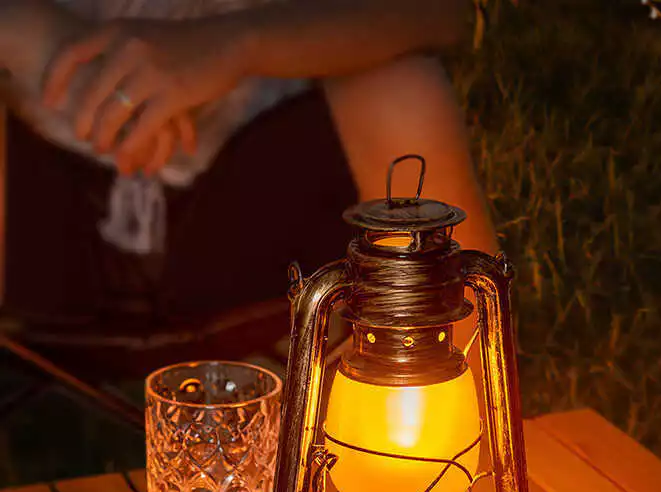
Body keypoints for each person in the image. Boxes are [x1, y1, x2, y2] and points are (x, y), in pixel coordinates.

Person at [0, 0, 495, 373]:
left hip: (265, 201)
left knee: (398, 90)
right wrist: (28, 31)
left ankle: (464, 433)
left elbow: (441, 12)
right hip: (38, 195)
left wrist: (235, 45)